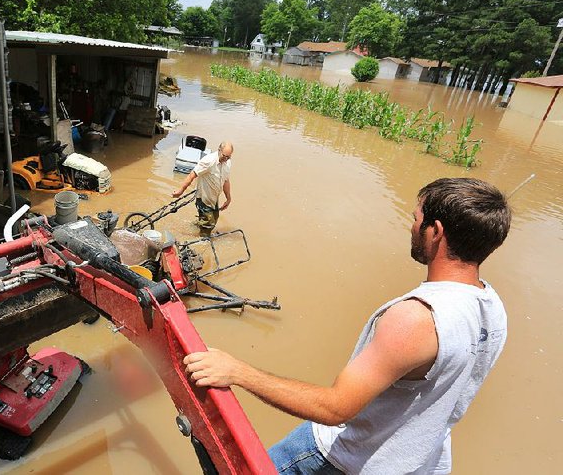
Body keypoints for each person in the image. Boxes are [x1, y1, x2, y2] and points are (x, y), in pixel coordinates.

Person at [184, 177, 511, 474]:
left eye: (415, 219)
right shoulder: (492, 308)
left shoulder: (416, 318)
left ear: (435, 231)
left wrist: (238, 371)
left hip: (341, 458)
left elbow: (335, 407)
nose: (411, 227)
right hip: (416, 463)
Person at [171, 141, 233, 232]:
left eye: (229, 156)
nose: (226, 159)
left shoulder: (227, 163)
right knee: (209, 224)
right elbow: (192, 174)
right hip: (204, 198)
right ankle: (203, 242)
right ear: (219, 150)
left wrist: (228, 198)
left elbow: (226, 180)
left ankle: (197, 225)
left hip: (214, 198)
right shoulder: (208, 161)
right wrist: (180, 191)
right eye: (224, 156)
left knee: (215, 218)